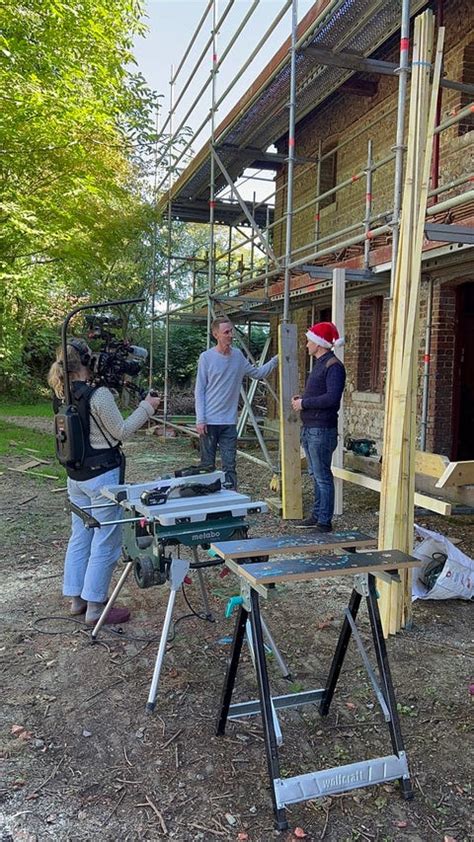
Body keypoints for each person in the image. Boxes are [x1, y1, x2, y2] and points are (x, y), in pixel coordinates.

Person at [48, 339, 161, 625]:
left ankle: (77, 600)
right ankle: (96, 607)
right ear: (87, 362)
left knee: (80, 536)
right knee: (106, 541)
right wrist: (147, 407)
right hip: (102, 477)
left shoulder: (63, 393)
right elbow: (121, 431)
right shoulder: (97, 396)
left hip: (76, 477)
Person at [195, 317, 278, 489]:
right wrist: (200, 419)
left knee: (230, 466)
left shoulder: (238, 356)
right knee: (207, 467)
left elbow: (257, 373)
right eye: (226, 332)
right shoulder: (206, 358)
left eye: (232, 331)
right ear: (216, 334)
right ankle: (206, 504)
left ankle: (231, 500)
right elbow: (199, 390)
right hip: (209, 421)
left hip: (229, 422)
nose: (231, 335)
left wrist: (276, 359)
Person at [291, 322, 346, 533]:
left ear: (319, 343)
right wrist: (303, 398)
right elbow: (320, 394)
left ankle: (324, 521)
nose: (306, 345)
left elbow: (332, 398)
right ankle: (316, 515)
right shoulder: (322, 364)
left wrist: (304, 403)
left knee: (322, 476)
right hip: (312, 428)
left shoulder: (334, 366)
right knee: (316, 474)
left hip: (321, 430)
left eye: (309, 340)